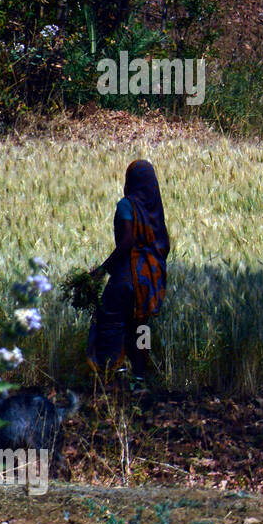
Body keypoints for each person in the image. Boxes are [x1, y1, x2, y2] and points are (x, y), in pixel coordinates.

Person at [87, 160, 170, 380]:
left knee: (110, 320)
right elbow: (165, 245)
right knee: (141, 326)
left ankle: (116, 372)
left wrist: (102, 270)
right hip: (150, 280)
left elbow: (126, 242)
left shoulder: (127, 205)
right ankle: (141, 375)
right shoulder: (155, 210)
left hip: (127, 277)